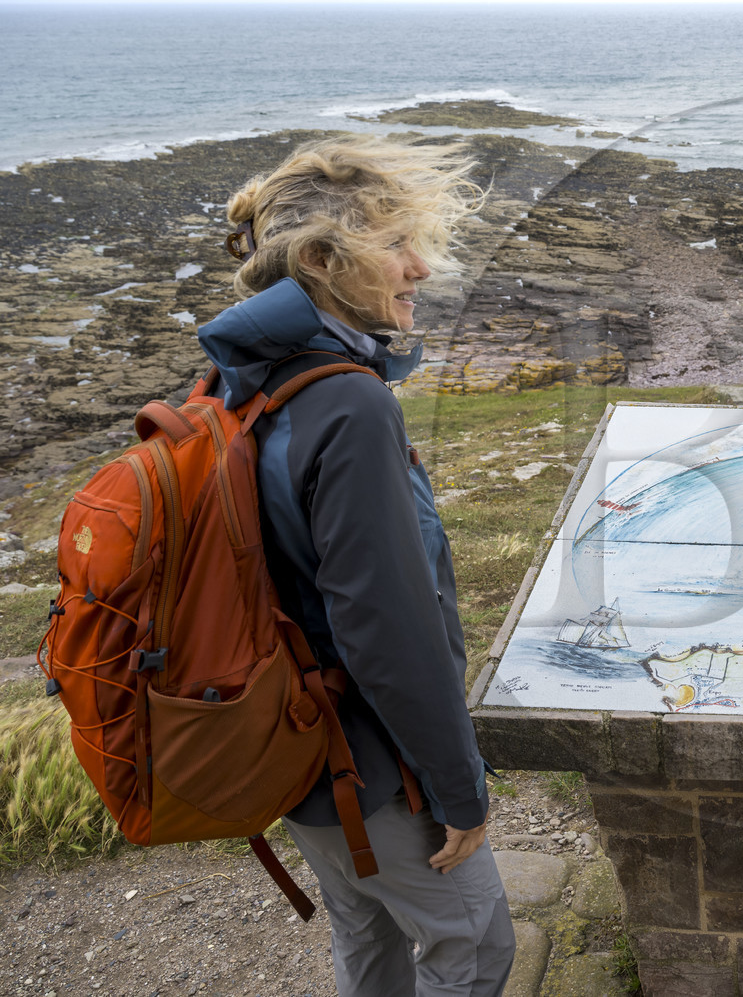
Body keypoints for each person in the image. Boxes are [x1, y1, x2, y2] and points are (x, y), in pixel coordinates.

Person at [198, 135, 515, 996]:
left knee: (368, 942)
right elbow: (386, 628)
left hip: (297, 754)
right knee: (477, 947)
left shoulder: (244, 374)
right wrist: (460, 789)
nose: (420, 268)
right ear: (320, 261)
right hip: (371, 769)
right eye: (397, 245)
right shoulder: (348, 402)